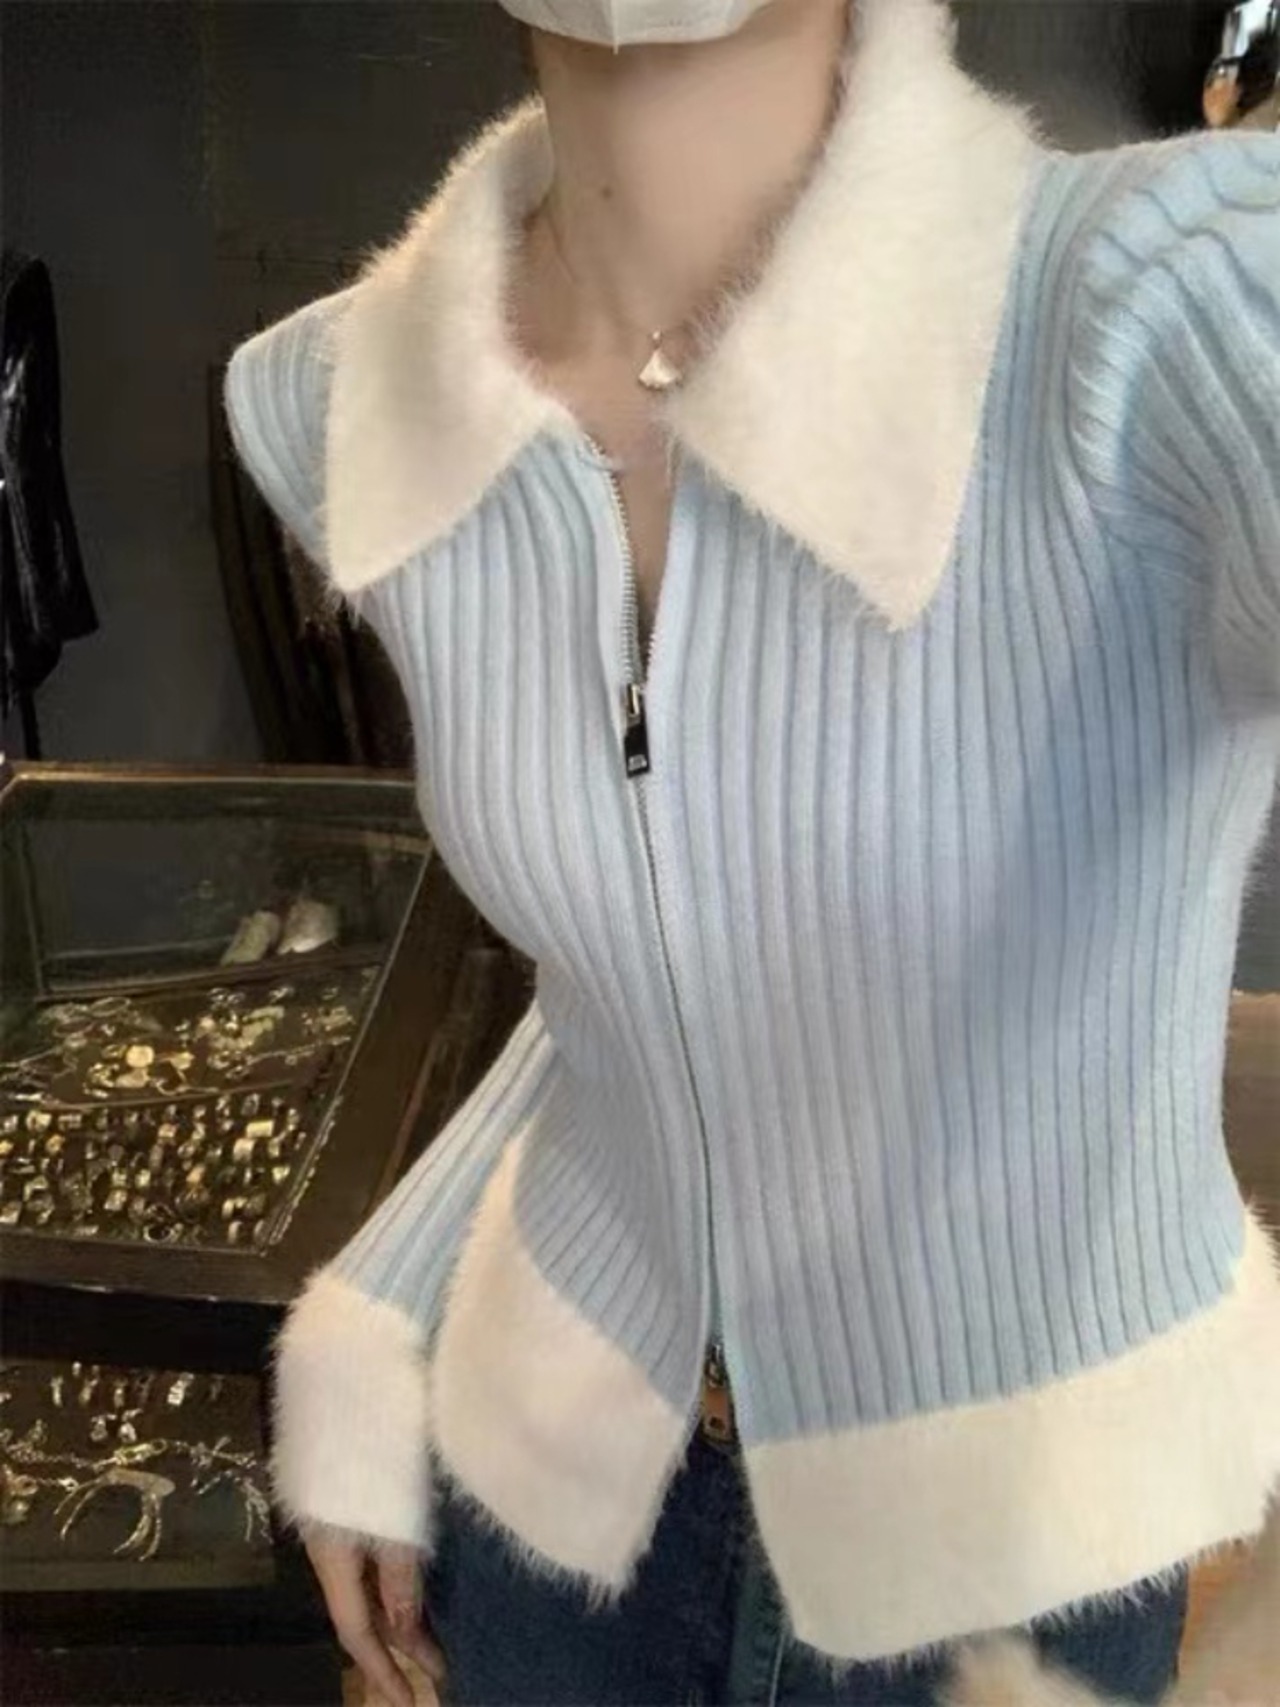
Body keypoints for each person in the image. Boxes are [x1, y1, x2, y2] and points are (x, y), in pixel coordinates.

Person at [223, 2, 1280, 1703]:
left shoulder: (1163, 307)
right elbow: (636, 986)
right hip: (554, 1512)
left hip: (1007, 1569)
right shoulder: (347, 401)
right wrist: (384, 1321)